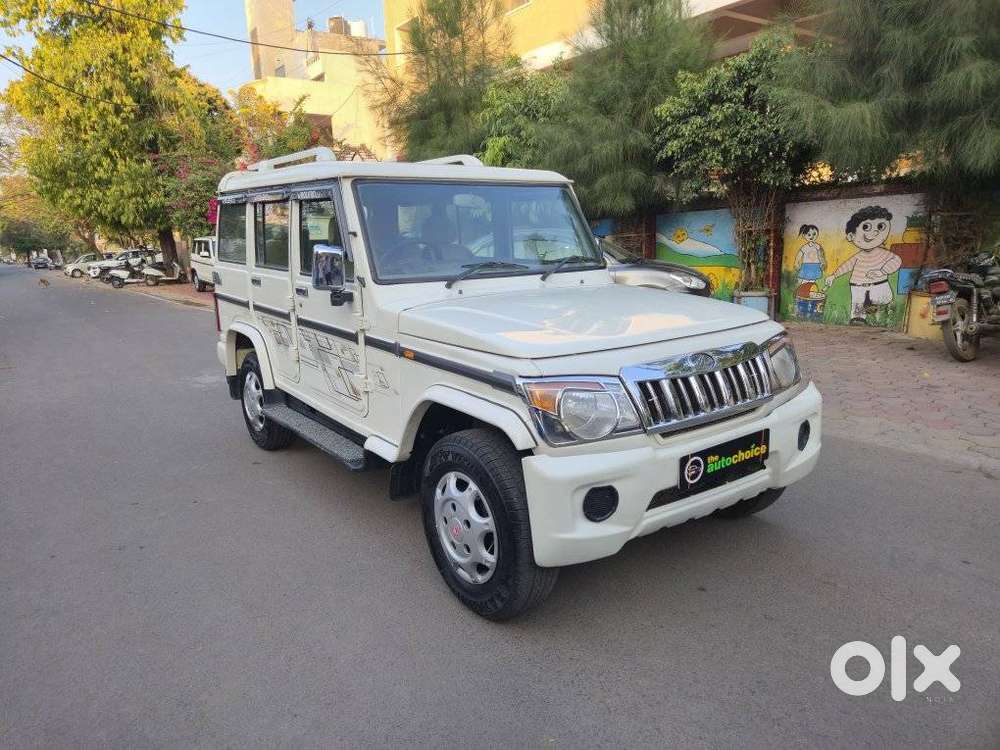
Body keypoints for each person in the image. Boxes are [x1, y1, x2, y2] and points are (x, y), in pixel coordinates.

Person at [824, 206, 902, 325]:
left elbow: (896, 260)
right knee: (857, 304)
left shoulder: (884, 253)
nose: (875, 232)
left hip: (879, 283)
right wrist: (833, 276)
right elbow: (847, 266)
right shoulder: (858, 256)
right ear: (851, 236)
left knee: (885, 298)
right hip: (857, 285)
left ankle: (870, 308)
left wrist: (882, 271)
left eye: (880, 227)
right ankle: (858, 319)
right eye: (866, 227)